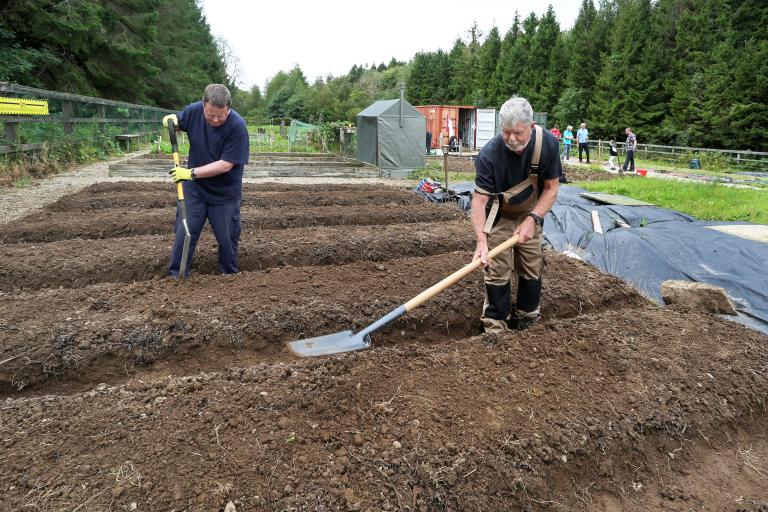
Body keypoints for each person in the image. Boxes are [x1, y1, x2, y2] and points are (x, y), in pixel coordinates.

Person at [471, 96, 561, 334]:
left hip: (532, 212)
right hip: (500, 216)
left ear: (531, 127)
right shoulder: (489, 155)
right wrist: (481, 241)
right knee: (497, 270)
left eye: (518, 133)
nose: (511, 139)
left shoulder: (547, 145)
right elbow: (479, 202)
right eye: (506, 132)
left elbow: (551, 188)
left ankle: (527, 319)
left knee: (532, 267)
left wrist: (534, 219)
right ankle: (495, 327)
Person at [162, 84, 250, 277]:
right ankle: (177, 275)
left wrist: (190, 173)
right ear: (203, 106)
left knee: (228, 240)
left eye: (222, 115)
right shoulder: (193, 111)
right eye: (211, 115)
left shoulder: (237, 126)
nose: (216, 119)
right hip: (195, 192)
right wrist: (172, 120)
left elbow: (225, 165)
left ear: (229, 108)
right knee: (185, 234)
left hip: (225, 195)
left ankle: (229, 277)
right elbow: (178, 121)